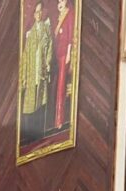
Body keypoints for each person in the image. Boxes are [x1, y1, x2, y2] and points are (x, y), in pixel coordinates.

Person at [19, 1, 53, 142]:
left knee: (40, 102)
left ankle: (39, 134)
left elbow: (49, 48)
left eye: (40, 11)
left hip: (42, 71)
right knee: (30, 103)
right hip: (32, 72)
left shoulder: (46, 30)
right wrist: (24, 76)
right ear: (33, 14)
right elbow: (25, 56)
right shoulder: (30, 34)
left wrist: (48, 63)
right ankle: (29, 136)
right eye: (36, 12)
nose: (38, 14)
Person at [53, 0, 76, 130]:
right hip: (58, 53)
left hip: (64, 55)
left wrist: (68, 54)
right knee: (58, 86)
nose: (60, 2)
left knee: (61, 86)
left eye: (62, 0)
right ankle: (57, 119)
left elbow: (70, 36)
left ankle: (59, 120)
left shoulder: (70, 14)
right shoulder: (60, 15)